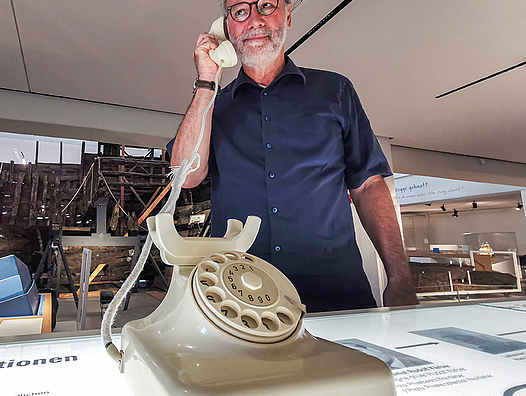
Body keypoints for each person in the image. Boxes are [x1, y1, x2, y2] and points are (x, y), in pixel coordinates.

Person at [169, 0, 417, 312]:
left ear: (287, 15)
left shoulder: (336, 91)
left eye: (266, 6)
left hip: (338, 295)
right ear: (227, 29)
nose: (254, 20)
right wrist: (207, 81)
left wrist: (400, 277)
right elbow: (186, 175)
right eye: (240, 12)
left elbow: (368, 186)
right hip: (243, 300)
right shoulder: (213, 109)